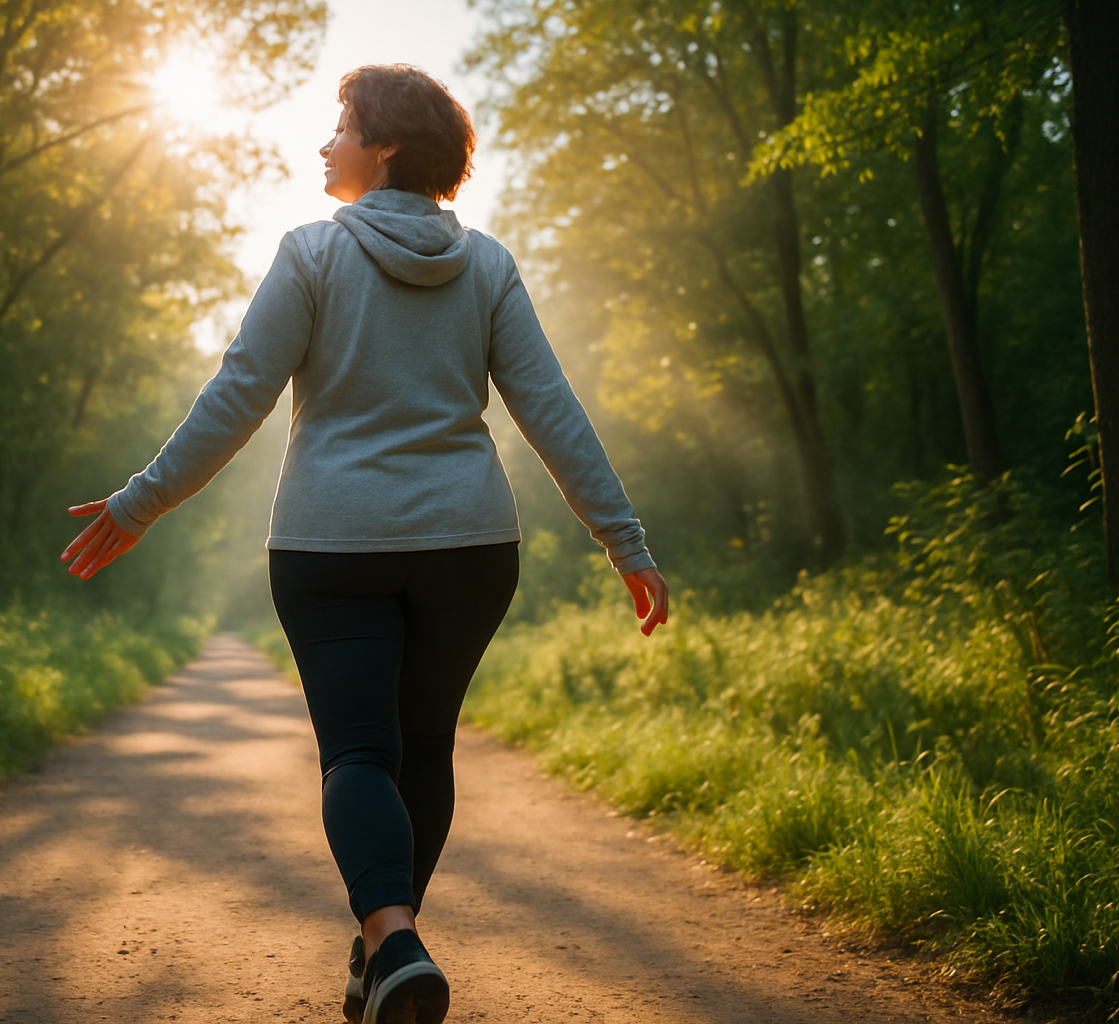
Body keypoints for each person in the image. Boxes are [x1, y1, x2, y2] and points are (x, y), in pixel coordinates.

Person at [61, 63, 668, 1024]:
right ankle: (384, 956)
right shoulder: (488, 265)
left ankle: (390, 941)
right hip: (469, 546)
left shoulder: (311, 253)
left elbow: (239, 394)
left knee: (357, 752)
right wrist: (622, 539)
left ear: (384, 144)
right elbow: (549, 408)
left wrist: (140, 504)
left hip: (330, 547)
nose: (324, 143)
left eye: (339, 125)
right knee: (422, 746)